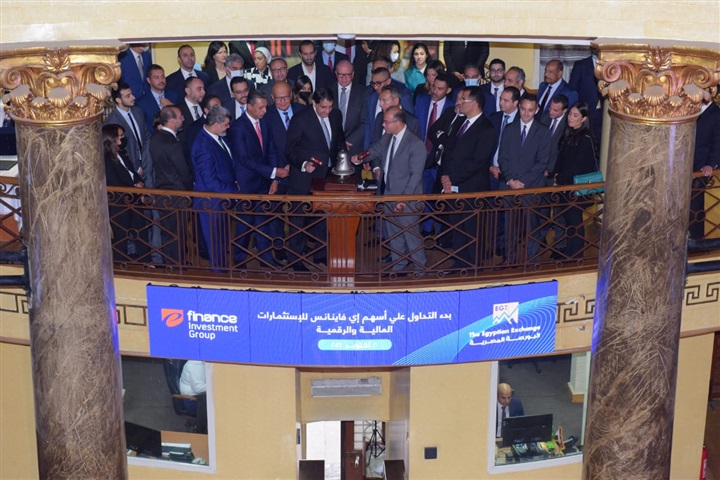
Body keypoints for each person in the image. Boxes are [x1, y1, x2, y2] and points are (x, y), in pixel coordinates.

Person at [356, 106, 427, 272]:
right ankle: (399, 267)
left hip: (408, 199)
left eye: (386, 122)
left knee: (411, 236)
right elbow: (375, 150)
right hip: (388, 194)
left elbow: (415, 176)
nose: (383, 125)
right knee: (394, 235)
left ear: (398, 123)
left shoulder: (415, 144)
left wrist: (403, 199)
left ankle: (421, 270)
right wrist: (360, 158)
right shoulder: (388, 137)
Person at [285, 88, 346, 270]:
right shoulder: (300, 119)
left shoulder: (336, 115)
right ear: (314, 103)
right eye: (323, 107)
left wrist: (343, 162)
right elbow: (289, 149)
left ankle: (321, 254)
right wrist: (304, 164)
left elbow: (339, 142)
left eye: (330, 107)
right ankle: (295, 259)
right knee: (299, 220)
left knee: (323, 217)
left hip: (326, 177)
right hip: (303, 177)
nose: (327, 111)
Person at [227, 89, 286, 268]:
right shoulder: (238, 127)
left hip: (265, 181)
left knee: (263, 222)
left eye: (266, 107)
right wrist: (273, 171)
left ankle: (266, 260)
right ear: (249, 106)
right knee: (245, 224)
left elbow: (272, 149)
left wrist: (274, 179)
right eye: (261, 108)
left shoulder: (265, 122)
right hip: (246, 183)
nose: (264, 111)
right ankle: (238, 260)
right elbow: (245, 159)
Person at [439, 86, 496, 268]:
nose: (459, 102)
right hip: (453, 186)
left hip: (472, 189)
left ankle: (472, 267)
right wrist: (445, 175)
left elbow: (478, 162)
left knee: (472, 230)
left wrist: (453, 178)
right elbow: (449, 151)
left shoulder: (486, 128)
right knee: (457, 228)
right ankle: (459, 262)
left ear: (474, 103)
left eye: (463, 99)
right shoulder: (460, 122)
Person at [498, 94, 551, 263]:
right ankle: (510, 260)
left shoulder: (543, 131)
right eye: (523, 109)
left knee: (531, 227)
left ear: (537, 110)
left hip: (531, 187)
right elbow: (502, 158)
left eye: (530, 110)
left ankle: (532, 261)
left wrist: (522, 182)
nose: (526, 113)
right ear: (519, 107)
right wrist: (510, 180)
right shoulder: (509, 128)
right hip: (510, 186)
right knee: (510, 226)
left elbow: (542, 162)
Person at [549, 102, 598, 259]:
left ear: (584, 119)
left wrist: (559, 178)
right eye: (570, 114)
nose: (571, 117)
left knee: (575, 222)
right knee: (569, 222)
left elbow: (578, 166)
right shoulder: (569, 134)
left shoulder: (585, 139)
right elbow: (562, 159)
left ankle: (575, 256)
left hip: (576, 189)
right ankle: (569, 254)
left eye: (575, 115)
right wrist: (554, 174)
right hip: (565, 187)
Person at [191, 105, 238, 271]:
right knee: (215, 245)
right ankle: (219, 277)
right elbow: (210, 180)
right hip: (211, 203)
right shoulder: (203, 145)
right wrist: (233, 191)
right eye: (226, 124)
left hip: (220, 201)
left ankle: (222, 272)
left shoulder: (217, 137)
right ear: (216, 124)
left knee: (221, 242)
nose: (228, 127)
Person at [149, 105, 194, 264]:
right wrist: (190, 190)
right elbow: (184, 172)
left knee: (167, 234)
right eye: (180, 116)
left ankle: (169, 264)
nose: (183, 119)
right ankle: (177, 266)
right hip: (177, 195)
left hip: (161, 194)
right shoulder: (173, 143)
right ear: (171, 120)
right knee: (179, 234)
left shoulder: (155, 138)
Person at [102, 124, 146, 261]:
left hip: (134, 200)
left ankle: (146, 262)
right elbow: (114, 181)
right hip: (120, 204)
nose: (123, 139)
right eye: (120, 136)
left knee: (141, 232)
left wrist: (139, 183)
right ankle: (121, 265)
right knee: (120, 238)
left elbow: (132, 173)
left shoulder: (121, 154)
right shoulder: (105, 159)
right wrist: (134, 187)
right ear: (112, 139)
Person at [689, 96, 720, 239]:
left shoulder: (716, 114)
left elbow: (718, 143)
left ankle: (696, 239)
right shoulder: (690, 109)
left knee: (695, 198)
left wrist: (711, 164)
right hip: (686, 164)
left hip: (703, 167)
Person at [105, 81, 150, 175]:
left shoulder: (138, 111)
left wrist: (147, 160)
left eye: (131, 94)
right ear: (118, 100)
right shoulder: (112, 121)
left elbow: (146, 136)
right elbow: (117, 149)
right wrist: (135, 168)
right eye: (128, 96)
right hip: (131, 169)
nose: (133, 97)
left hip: (147, 162)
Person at [330, 60, 367, 158]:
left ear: (353, 74)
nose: (344, 78)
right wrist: (339, 142)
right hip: (332, 146)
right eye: (340, 75)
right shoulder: (328, 91)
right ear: (335, 73)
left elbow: (365, 122)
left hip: (354, 147)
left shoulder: (363, 92)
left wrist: (350, 141)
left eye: (347, 75)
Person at [136, 64, 179, 132]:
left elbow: (182, 118)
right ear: (148, 80)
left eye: (162, 76)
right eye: (156, 77)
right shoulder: (141, 103)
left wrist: (172, 106)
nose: (161, 80)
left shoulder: (174, 96)